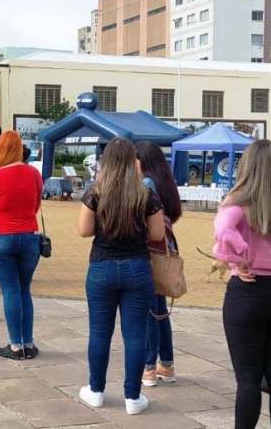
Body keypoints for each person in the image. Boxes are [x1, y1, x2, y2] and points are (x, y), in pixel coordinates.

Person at [213, 140, 271, 429]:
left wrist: (238, 256)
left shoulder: (238, 204)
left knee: (248, 379)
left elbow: (221, 229)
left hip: (248, 292)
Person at [76, 138, 165, 415]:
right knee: (136, 335)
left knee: (99, 333)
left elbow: (84, 231)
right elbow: (158, 234)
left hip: (102, 267)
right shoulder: (145, 194)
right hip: (137, 268)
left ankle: (96, 391)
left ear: (107, 162)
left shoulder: (95, 192)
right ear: (131, 161)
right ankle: (132, 397)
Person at [0, 131, 42, 360]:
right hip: (29, 235)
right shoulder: (33, 173)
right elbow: (36, 205)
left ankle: (15, 345)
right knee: (24, 290)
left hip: (0, 236)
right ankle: (28, 343)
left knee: (10, 290)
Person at [135, 141, 182, 387]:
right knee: (160, 310)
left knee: (150, 312)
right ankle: (167, 363)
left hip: (150, 252)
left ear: (142, 160)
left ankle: (149, 367)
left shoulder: (146, 184)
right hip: (165, 250)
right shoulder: (164, 182)